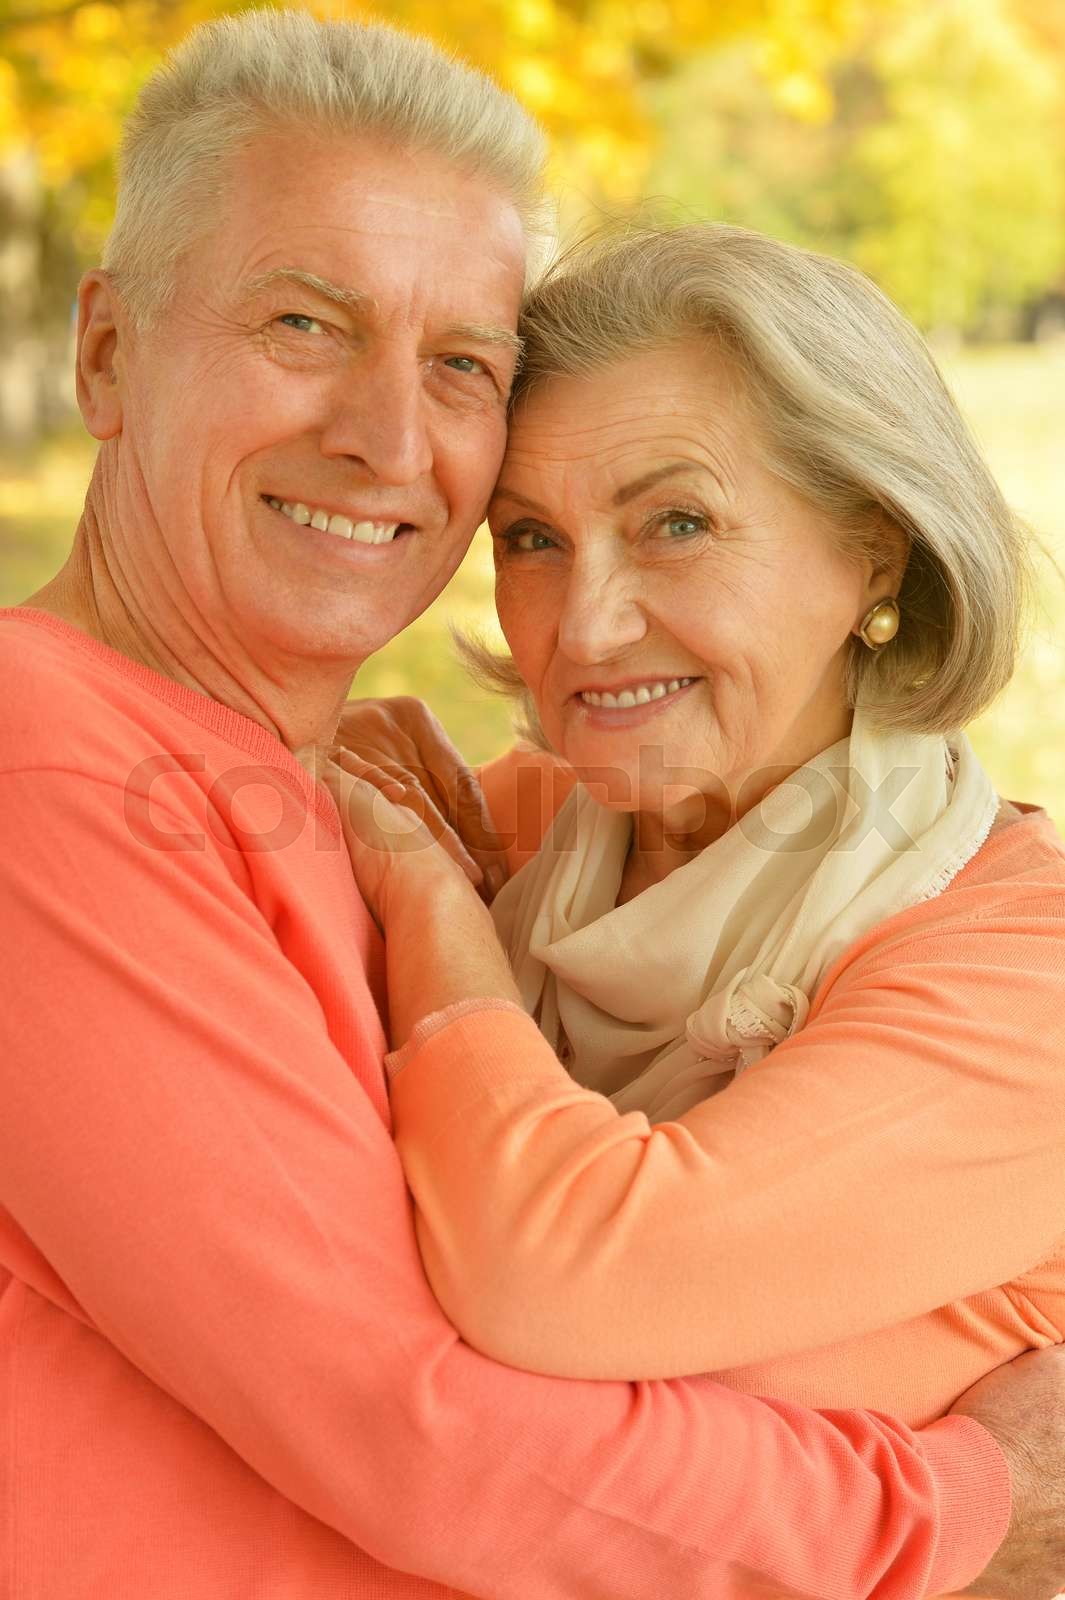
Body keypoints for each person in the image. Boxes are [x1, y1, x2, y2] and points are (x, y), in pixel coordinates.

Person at [0, 11, 1062, 1599]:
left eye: (460, 367)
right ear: (104, 354)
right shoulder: (63, 770)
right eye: (302, 322)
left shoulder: (410, 817)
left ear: (872, 559)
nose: (386, 437)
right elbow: (437, 1435)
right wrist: (972, 1492)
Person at [326, 221, 1065, 1537]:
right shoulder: (511, 828)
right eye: (531, 538)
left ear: (874, 551)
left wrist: (438, 920)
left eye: (677, 522)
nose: (585, 625)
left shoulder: (1020, 972)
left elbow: (550, 1284)